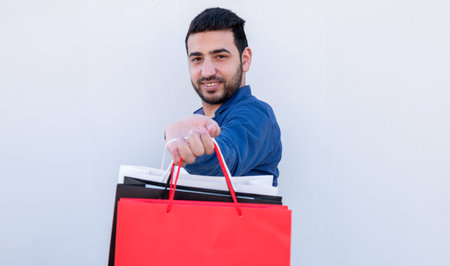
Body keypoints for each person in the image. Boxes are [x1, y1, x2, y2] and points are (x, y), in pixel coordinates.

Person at [165, 7, 282, 186]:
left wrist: (191, 149)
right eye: (197, 59)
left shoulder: (256, 115)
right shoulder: (199, 119)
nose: (207, 71)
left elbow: (225, 159)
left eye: (220, 56)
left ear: (245, 59)